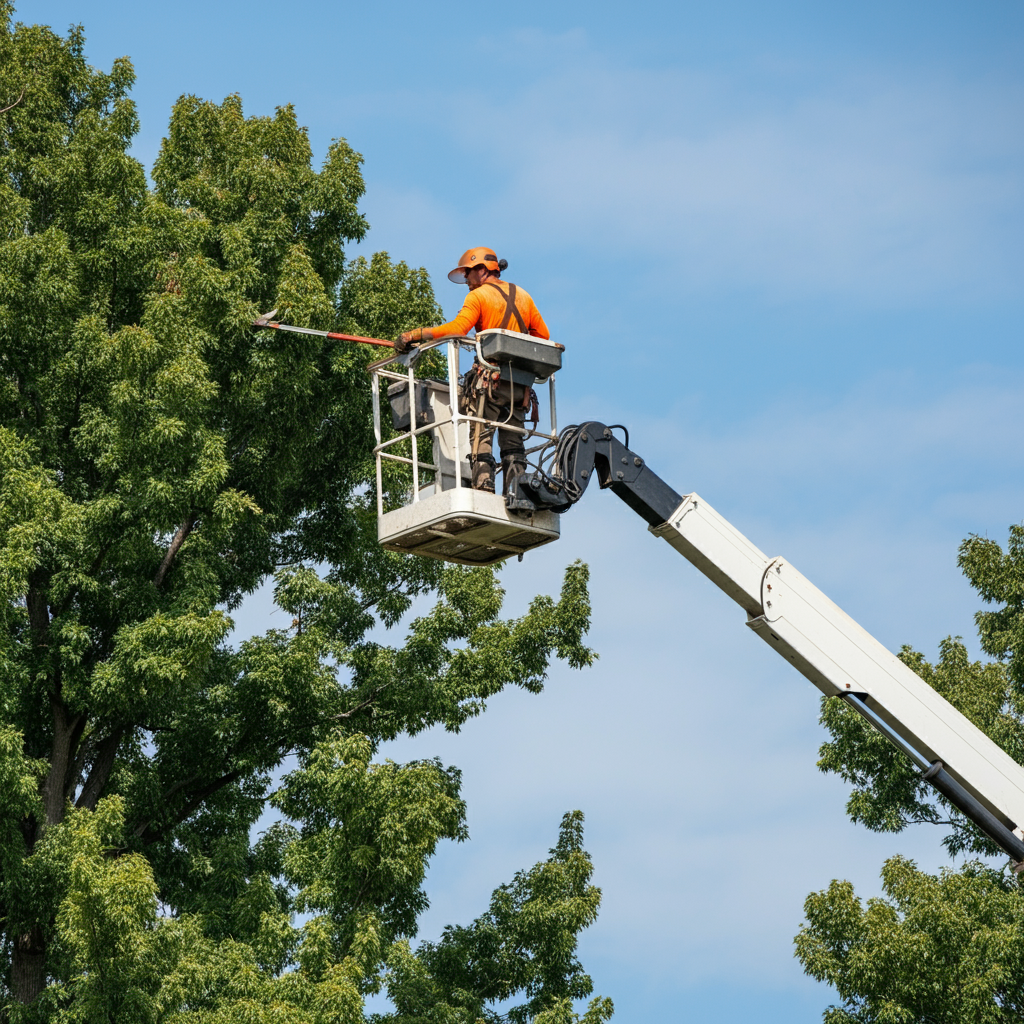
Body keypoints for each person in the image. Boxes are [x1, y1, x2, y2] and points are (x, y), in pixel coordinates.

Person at [396, 247, 550, 495]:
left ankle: (484, 487)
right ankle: (516, 492)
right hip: (520, 386)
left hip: (490, 383)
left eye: (468, 273)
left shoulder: (478, 297)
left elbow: (459, 328)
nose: (466, 280)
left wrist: (415, 335)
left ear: (482, 270)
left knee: (481, 435)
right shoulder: (523, 296)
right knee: (513, 442)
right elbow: (542, 336)